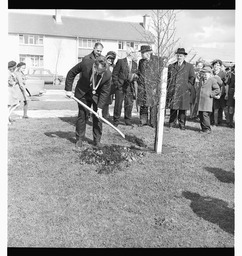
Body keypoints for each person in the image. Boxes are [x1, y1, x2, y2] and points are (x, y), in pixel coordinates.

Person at [65, 56, 112, 149]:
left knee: (98, 118)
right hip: (83, 92)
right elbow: (71, 73)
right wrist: (68, 89)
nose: (100, 74)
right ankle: (79, 139)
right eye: (99, 71)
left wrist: (100, 108)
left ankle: (97, 140)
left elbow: (105, 92)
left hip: (97, 95)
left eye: (102, 72)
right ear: (94, 66)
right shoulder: (86, 64)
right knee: (82, 115)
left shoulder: (107, 74)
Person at [166, 48, 196, 130]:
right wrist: (169, 87)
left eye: (181, 56)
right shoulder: (171, 66)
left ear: (184, 57)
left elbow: (192, 77)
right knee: (173, 108)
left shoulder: (189, 66)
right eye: (178, 56)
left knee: (182, 109)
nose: (179, 57)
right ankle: (172, 123)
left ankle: (182, 124)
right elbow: (168, 78)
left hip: (184, 91)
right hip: (174, 90)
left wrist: (187, 87)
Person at [112, 47, 138, 127]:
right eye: (134, 52)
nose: (135, 54)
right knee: (118, 104)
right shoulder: (120, 62)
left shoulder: (134, 64)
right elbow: (114, 73)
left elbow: (136, 74)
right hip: (120, 87)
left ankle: (127, 120)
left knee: (129, 104)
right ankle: (116, 120)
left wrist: (135, 77)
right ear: (130, 53)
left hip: (130, 87)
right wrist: (117, 84)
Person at [136, 45, 158, 127]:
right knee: (143, 104)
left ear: (148, 53)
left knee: (153, 105)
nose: (141, 55)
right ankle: (143, 121)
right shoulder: (141, 61)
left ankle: (153, 122)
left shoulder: (156, 60)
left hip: (152, 87)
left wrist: (156, 86)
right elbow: (139, 72)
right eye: (141, 53)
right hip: (142, 86)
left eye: (143, 53)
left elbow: (159, 75)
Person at [197, 66, 220, 133]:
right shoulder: (201, 79)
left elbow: (217, 89)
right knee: (201, 114)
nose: (204, 75)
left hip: (207, 101)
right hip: (201, 100)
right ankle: (203, 128)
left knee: (205, 115)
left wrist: (211, 94)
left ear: (210, 74)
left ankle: (207, 129)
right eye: (203, 74)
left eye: (206, 74)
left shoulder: (212, 80)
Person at [210, 59, 227, 126]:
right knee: (214, 108)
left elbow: (224, 85)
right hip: (213, 93)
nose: (216, 66)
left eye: (218, 65)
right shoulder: (211, 73)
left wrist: (220, 94)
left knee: (222, 108)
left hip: (221, 93)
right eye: (215, 65)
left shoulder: (223, 73)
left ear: (220, 66)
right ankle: (214, 122)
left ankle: (221, 121)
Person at [102, 51, 117, 119]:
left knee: (107, 102)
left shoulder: (114, 67)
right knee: (101, 100)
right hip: (102, 86)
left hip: (110, 86)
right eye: (109, 58)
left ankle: (105, 114)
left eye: (112, 59)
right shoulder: (102, 65)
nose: (110, 60)